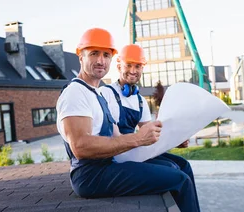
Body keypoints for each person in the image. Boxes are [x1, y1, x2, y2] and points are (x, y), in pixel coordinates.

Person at [56, 28, 200, 212]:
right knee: (180, 180)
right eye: (94, 53)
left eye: (106, 55)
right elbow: (80, 146)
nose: (101, 60)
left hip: (107, 165)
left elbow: (116, 135)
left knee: (179, 168)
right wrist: (138, 138)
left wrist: (171, 139)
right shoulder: (75, 93)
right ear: (80, 56)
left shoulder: (96, 95)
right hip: (90, 176)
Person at [98, 43, 195, 189]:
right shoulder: (106, 94)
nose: (133, 70)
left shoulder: (140, 101)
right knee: (172, 167)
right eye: (128, 65)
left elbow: (151, 136)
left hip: (134, 152)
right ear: (119, 67)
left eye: (137, 66)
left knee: (183, 165)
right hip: (116, 157)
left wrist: (175, 140)